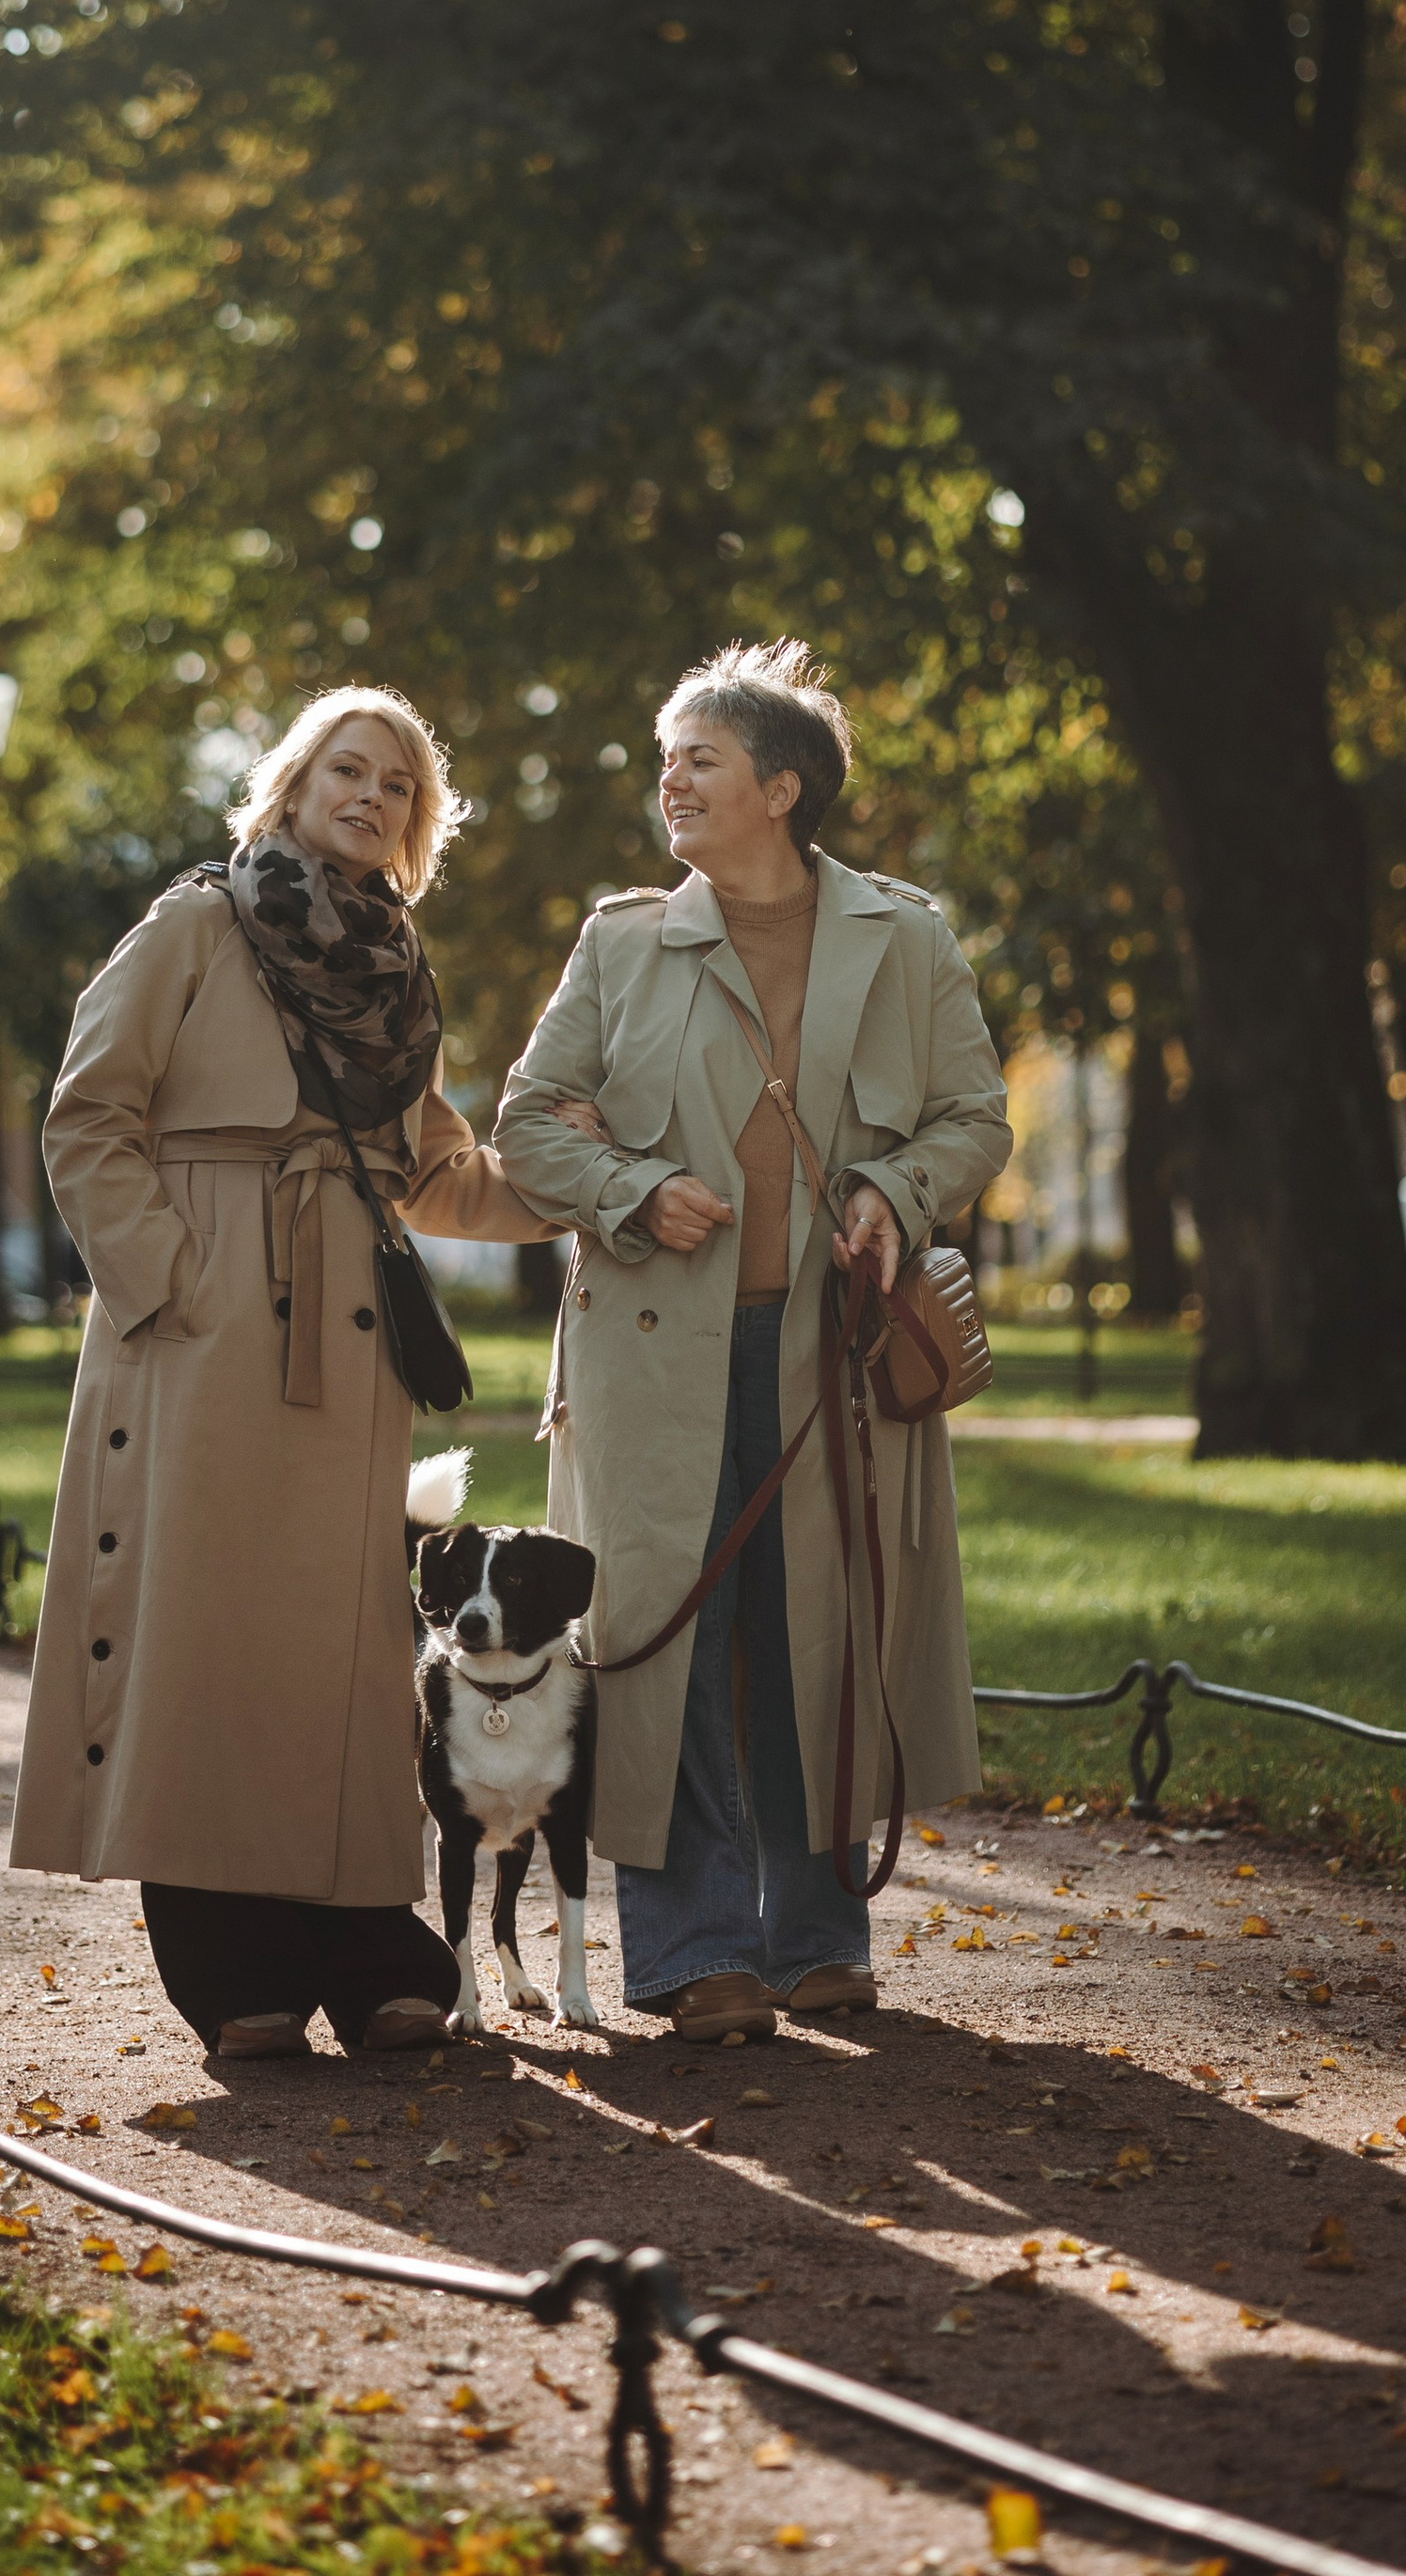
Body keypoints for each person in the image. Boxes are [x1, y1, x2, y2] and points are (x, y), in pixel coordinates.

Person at [10, 685, 559, 2060]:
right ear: (293, 781)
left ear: (414, 827)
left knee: (345, 1657)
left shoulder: (395, 971)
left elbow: (437, 1170)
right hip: (199, 1337)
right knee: (206, 1639)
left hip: (347, 1341)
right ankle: (229, 1962)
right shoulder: (198, 922)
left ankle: (364, 1937)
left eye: (400, 787)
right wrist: (170, 1288)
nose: (371, 795)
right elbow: (87, 1120)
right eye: (348, 769)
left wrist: (587, 1187)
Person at [496, 639, 1011, 2043]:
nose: (669, 776)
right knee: (668, 1643)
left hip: (830, 1355)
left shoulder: (906, 938)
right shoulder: (619, 940)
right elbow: (529, 1122)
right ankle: (695, 1951)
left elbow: (976, 1119)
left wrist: (891, 1191)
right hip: (646, 1356)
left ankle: (823, 1937)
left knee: (821, 1634)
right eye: (667, 756)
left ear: (782, 787)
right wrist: (628, 1192)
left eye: (699, 756)